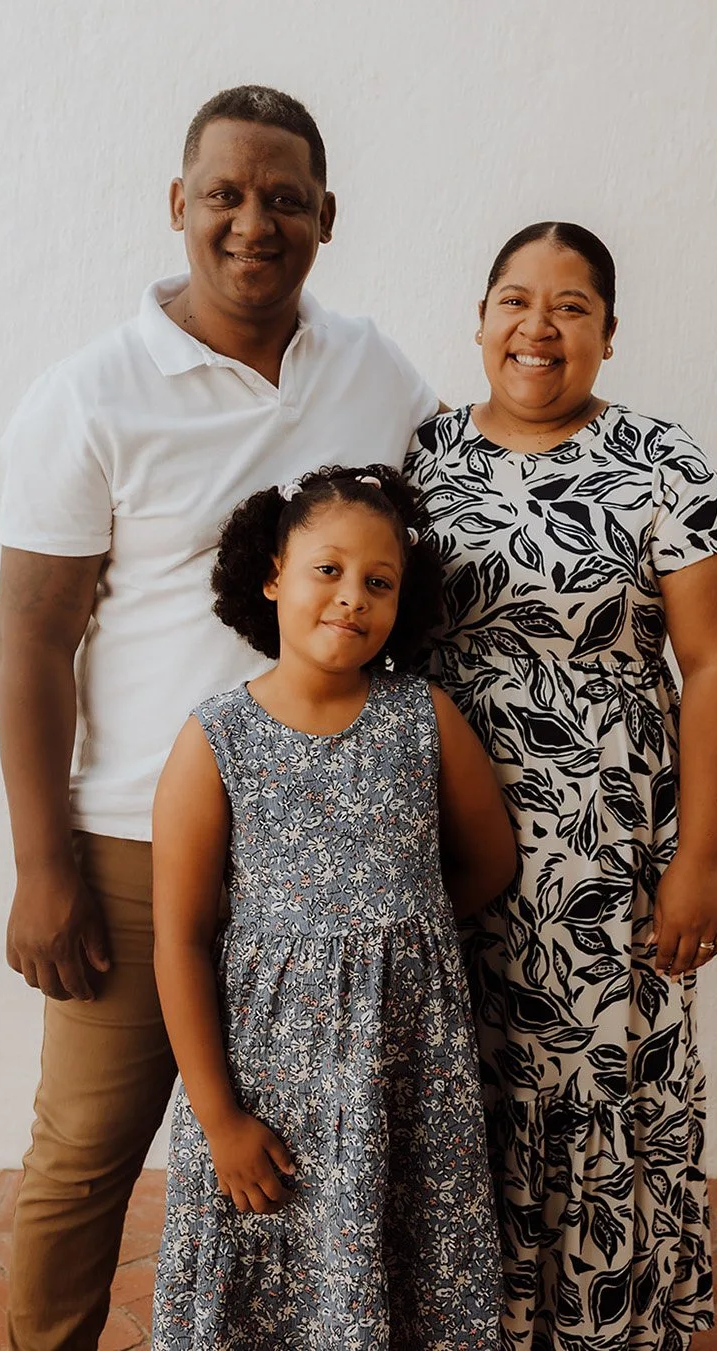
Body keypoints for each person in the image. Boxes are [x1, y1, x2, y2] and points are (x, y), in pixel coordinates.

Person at [0, 87, 436, 1350]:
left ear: (327, 218)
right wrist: (43, 864)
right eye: (227, 196)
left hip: (326, 853)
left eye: (285, 199)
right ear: (177, 206)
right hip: (138, 840)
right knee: (84, 1156)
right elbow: (34, 637)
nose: (255, 223)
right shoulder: (90, 397)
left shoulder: (374, 372)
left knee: (312, 1160)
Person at [403, 222, 717, 1348]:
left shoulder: (665, 459)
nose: (538, 327)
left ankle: (603, 1323)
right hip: (443, 835)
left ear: (609, 331)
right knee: (466, 1078)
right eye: (514, 300)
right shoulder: (424, 452)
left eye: (570, 306)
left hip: (604, 849)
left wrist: (700, 858)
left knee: (596, 1085)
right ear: (478, 319)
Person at [148, 465, 513, 1348]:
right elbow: (182, 941)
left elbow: (489, 860)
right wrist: (219, 1117)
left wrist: (398, 928)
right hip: (269, 1087)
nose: (352, 598)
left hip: (404, 1076)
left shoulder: (423, 716)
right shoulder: (215, 739)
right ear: (272, 573)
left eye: (378, 583)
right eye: (328, 570)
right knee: (274, 1277)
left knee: (401, 1270)